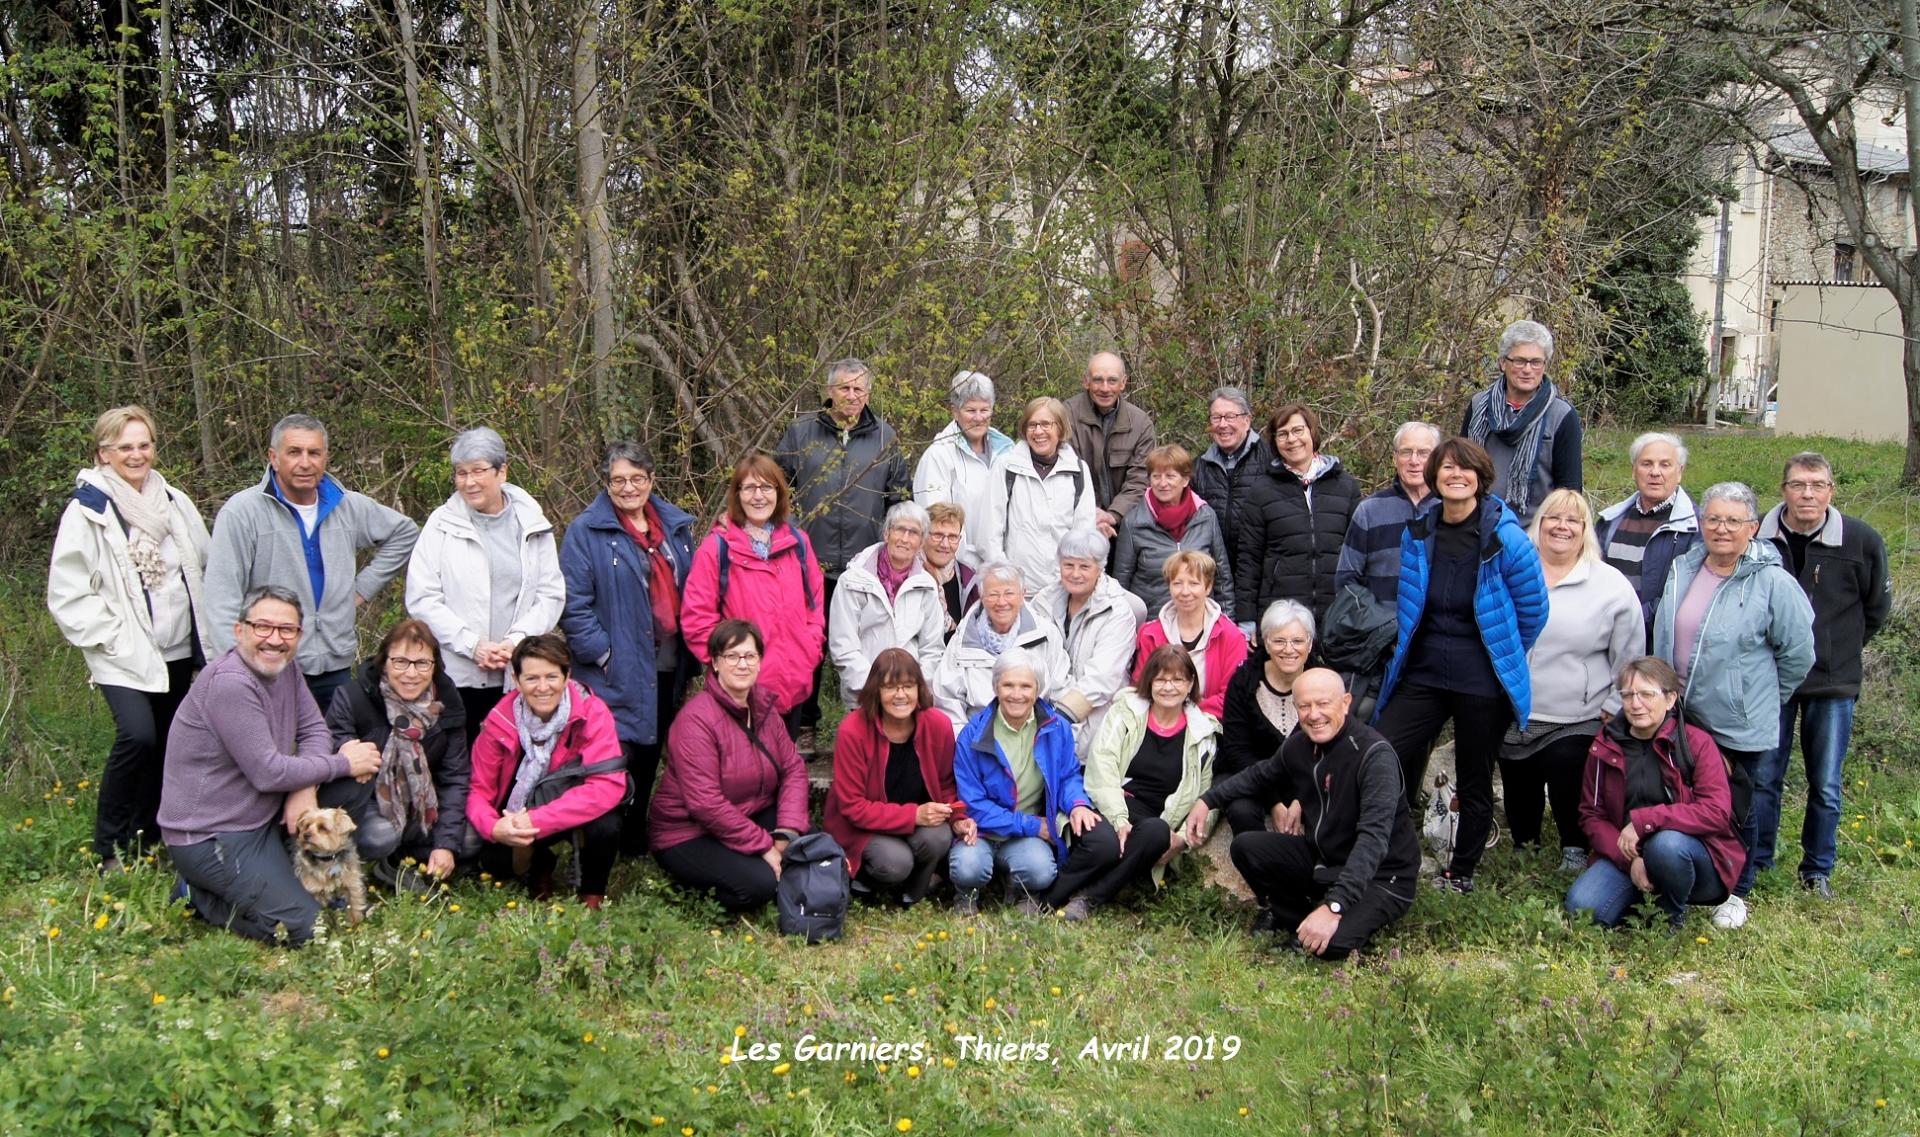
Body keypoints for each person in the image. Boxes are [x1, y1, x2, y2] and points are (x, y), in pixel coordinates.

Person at [159, 586, 382, 946]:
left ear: (299, 635)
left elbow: (313, 728)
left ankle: (300, 872)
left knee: (356, 778)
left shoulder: (286, 669)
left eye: (286, 630)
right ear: (239, 630)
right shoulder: (231, 683)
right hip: (214, 834)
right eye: (262, 627)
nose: (274, 640)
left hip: (261, 814)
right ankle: (197, 895)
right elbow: (267, 772)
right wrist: (338, 762)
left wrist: (304, 788)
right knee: (309, 930)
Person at [1373, 436, 1548, 893]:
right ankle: (1385, 849)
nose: (1455, 475)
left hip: (1480, 678)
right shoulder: (1419, 530)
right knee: (1380, 750)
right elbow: (1411, 601)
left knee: (1474, 777)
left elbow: (1534, 610)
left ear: (1480, 477)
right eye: (1445, 468)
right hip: (1424, 670)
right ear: (1433, 478)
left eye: (1464, 468)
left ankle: (1460, 872)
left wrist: (1501, 648)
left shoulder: (1503, 535)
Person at [47, 406, 212, 870]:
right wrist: (113, 638)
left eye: (144, 445)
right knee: (137, 737)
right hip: (123, 652)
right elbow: (67, 593)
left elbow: (204, 564)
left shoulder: (175, 502)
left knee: (169, 743)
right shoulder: (89, 511)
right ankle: (109, 847)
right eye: (125, 447)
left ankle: (150, 838)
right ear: (104, 453)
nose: (136, 455)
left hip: (179, 648)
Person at [1652, 481, 1814, 930]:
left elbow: (1799, 652)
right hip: (1683, 715)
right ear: (1701, 523)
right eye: (1713, 519)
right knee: (1690, 798)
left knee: (1740, 805)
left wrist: (1761, 696)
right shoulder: (1684, 568)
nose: (1722, 529)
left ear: (1753, 527)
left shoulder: (1771, 582)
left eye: (1733, 520)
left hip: (1738, 719)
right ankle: (1692, 878)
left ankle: (1737, 890)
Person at [1183, 669, 1419, 959]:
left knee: (1330, 945)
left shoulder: (1374, 756)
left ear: (1345, 702)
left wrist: (1336, 906)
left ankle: (1331, 914)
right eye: (1304, 706)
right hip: (1326, 857)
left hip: (1383, 875)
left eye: (1323, 704)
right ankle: (1294, 915)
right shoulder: (1300, 746)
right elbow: (1258, 776)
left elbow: (1374, 839)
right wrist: (1207, 800)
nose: (1314, 714)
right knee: (1247, 847)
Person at [203, 413, 418, 713]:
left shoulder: (347, 506)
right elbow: (220, 598)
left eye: (314, 453)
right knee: (266, 756)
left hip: (334, 663)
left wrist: (361, 589)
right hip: (268, 664)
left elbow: (404, 532)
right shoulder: (242, 513)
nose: (305, 462)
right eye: (294, 452)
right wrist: (236, 668)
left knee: (334, 753)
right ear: (274, 458)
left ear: (325, 458)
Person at [1759, 452, 1893, 899]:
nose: (1808, 494)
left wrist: (1839, 649)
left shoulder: (1861, 541)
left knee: (1827, 784)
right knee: (1764, 777)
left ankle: (1817, 870)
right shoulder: (1758, 535)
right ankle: (1759, 861)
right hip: (1771, 681)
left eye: (1817, 485)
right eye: (1798, 485)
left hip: (1833, 683)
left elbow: (1875, 612)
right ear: (1784, 490)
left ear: (1831, 491)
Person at [558, 441, 697, 853]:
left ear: (652, 480)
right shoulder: (587, 531)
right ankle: (604, 841)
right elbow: (573, 604)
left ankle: (636, 837)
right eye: (618, 480)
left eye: (637, 478)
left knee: (653, 748)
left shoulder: (675, 527)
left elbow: (691, 587)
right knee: (618, 755)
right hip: (614, 667)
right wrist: (606, 655)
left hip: (669, 661)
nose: (628, 488)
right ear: (607, 484)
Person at [1503, 489, 1643, 874]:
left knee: (1567, 771)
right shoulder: (1513, 571)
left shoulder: (1609, 583)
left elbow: (1629, 652)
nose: (1562, 526)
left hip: (1578, 712)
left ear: (1585, 531)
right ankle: (1523, 844)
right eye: (1553, 517)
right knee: (1518, 777)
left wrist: (1617, 703)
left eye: (1574, 520)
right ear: (1539, 523)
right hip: (1515, 705)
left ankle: (1574, 846)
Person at [776, 358, 912, 748]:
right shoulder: (802, 433)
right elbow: (775, 488)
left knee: (867, 645)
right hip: (808, 562)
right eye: (844, 388)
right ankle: (804, 725)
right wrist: (792, 531)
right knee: (809, 647)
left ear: (868, 394)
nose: (851, 396)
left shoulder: (885, 437)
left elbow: (899, 497)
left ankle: (870, 724)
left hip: (863, 564)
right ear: (829, 391)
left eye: (859, 389)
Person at [406, 427, 567, 732]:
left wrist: (515, 643)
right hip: (457, 676)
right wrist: (473, 645)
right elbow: (422, 598)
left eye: (478, 471)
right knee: (459, 765)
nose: (469, 482)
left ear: (501, 471)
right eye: (461, 473)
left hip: (519, 673)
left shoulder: (532, 522)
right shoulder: (441, 524)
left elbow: (550, 594)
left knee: (510, 766)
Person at [1567, 657, 1744, 931]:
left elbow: (1716, 812)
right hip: (1627, 852)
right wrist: (1631, 862)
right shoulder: (1605, 745)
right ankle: (1643, 893)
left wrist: (1645, 821)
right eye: (1628, 695)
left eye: (1647, 695)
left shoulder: (1696, 742)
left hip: (1691, 856)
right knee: (1582, 906)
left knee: (1666, 845)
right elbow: (1592, 815)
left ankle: (1669, 917)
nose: (1636, 704)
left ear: (1671, 699)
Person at [650, 620, 811, 913]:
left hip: (745, 812)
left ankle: (771, 869)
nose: (742, 664)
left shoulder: (764, 707)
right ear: (715, 663)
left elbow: (793, 768)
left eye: (750, 656)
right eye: (732, 656)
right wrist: (763, 846)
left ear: (760, 662)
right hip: (687, 832)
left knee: (809, 841)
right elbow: (705, 804)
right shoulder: (695, 720)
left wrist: (785, 833)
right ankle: (691, 894)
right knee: (759, 885)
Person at [1056, 645, 1221, 919]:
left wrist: (1182, 840)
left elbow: (1207, 797)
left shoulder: (1204, 734)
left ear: (1190, 684)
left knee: (1157, 831)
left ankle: (1089, 900)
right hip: (1112, 804)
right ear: (1150, 682)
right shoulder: (1125, 714)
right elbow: (1102, 768)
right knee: (1103, 845)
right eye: (1161, 679)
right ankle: (1046, 899)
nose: (1169, 687)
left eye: (1178, 679)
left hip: (1154, 822)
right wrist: (1120, 819)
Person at [466, 633, 626, 908]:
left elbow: (607, 784)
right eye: (531, 678)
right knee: (495, 863)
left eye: (551, 677)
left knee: (606, 827)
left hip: (571, 806)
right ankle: (538, 866)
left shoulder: (592, 711)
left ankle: (592, 893)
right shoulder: (500, 720)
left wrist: (539, 819)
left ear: (567, 676)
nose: (543, 687)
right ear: (516, 680)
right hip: (519, 809)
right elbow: (479, 788)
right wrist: (494, 827)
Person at [680, 454, 827, 745]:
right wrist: (730, 666)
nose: (758, 496)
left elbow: (815, 607)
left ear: (779, 494)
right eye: (749, 488)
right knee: (743, 779)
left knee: (784, 774)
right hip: (741, 692)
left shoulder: (798, 544)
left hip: (793, 685)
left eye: (767, 487)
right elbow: (696, 620)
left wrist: (808, 653)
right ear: (737, 495)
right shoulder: (717, 549)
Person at [949, 650, 1099, 915]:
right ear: (995, 687)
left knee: (1041, 871)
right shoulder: (972, 734)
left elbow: (1067, 776)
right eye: (1008, 685)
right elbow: (973, 804)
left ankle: (1017, 888)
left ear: (1038, 689)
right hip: (982, 831)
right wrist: (1031, 825)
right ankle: (966, 894)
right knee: (967, 868)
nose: (1016, 694)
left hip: (1023, 836)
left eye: (1025, 686)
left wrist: (1078, 804)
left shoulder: (1056, 728)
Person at [324, 619, 474, 883]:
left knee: (470, 839)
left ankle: (401, 861)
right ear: (384, 661)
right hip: (370, 802)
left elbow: (455, 777)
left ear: (434, 666)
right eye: (400, 662)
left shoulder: (448, 704)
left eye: (421, 663)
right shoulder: (352, 697)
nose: (411, 673)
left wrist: (446, 845)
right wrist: (345, 750)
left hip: (424, 804)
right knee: (380, 836)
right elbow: (331, 743)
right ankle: (388, 858)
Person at [823, 649, 973, 906]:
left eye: (908, 686)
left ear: (919, 689)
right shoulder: (853, 730)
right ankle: (864, 882)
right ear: (876, 692)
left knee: (939, 836)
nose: (901, 695)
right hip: (863, 828)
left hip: (916, 823)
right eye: (891, 687)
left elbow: (946, 783)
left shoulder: (938, 725)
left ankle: (913, 894)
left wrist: (958, 817)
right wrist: (914, 815)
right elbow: (852, 807)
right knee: (895, 862)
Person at [1234, 402, 1363, 631]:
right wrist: (1246, 619)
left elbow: (1360, 552)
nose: (1291, 440)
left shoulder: (1345, 486)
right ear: (1274, 442)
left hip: (1337, 612)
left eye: (1297, 430)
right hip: (1281, 614)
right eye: (1282, 434)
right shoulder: (1261, 491)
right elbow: (1248, 559)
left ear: (1312, 432)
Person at [1030, 529, 1146, 753]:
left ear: (1100, 569)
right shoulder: (1042, 602)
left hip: (1097, 713)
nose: (1075, 574)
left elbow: (1102, 680)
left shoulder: (1117, 611)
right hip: (1047, 705)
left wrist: (1061, 716)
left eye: (1084, 566)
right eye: (1068, 565)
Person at [1461, 319, 1582, 526]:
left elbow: (1569, 491)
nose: (1528, 370)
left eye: (1536, 362)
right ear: (1502, 362)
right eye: (1519, 361)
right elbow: (1460, 466)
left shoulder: (1561, 415)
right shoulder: (1478, 406)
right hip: (1476, 526)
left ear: (1545, 365)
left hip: (1533, 534)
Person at [932, 561, 1072, 733]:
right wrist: (967, 744)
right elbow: (947, 702)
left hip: (1034, 737)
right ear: (982, 597)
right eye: (993, 594)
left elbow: (1061, 692)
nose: (1001, 602)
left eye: (1009, 593)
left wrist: (1049, 739)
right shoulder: (962, 641)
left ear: (1023, 595)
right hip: (977, 740)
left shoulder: (1045, 635)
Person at [828, 502, 946, 704]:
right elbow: (843, 646)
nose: (905, 539)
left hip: (909, 697)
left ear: (921, 543)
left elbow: (932, 648)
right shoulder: (853, 580)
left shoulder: (926, 586)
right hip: (864, 694)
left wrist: (913, 687)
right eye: (899, 529)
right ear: (886, 534)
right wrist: (875, 687)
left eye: (914, 533)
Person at [1215, 600, 1316, 835]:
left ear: (1309, 644)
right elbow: (1237, 750)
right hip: (1254, 778)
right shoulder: (1244, 681)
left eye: (1298, 641)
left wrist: (1301, 801)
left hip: (1308, 782)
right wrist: (1274, 802)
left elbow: (1331, 750)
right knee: (1241, 810)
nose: (1289, 649)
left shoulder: (1322, 681)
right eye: (1279, 640)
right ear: (1265, 642)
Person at [983, 396, 1099, 595]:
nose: (1038, 432)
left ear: (1060, 428)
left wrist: (1073, 581)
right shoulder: (1006, 467)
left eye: (1046, 424)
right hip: (1019, 590)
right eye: (1032, 425)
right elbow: (990, 532)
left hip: (1063, 590)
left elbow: (1084, 534)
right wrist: (1006, 580)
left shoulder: (1078, 471)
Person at [1597, 431, 1698, 642]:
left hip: (1657, 644)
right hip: (1604, 635)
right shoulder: (1609, 522)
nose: (1655, 472)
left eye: (1665, 464)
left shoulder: (1695, 528)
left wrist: (1629, 620)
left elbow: (1685, 595)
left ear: (1680, 472)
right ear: (1634, 470)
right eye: (1646, 464)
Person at [1113, 443, 1236, 616]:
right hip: (1152, 624)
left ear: (1185, 480)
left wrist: (1227, 621)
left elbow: (1222, 576)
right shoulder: (1133, 522)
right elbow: (1121, 585)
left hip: (1201, 621)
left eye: (1170, 476)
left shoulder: (1206, 517)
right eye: (1156, 476)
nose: (1163, 483)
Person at [912, 370, 1014, 564]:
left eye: (984, 410)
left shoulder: (1008, 452)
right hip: (960, 567)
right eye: (970, 410)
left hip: (1002, 566)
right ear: (955, 411)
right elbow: (934, 521)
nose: (978, 417)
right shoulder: (939, 455)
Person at [1335, 421, 1441, 606]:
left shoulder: (1450, 508)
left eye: (1423, 453)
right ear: (1394, 459)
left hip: (1438, 631)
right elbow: (1346, 581)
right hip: (1382, 630)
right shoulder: (1369, 510)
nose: (1414, 461)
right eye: (1406, 452)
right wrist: (1377, 624)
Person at [1132, 551, 1248, 719]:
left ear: (1208, 587)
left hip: (1213, 725)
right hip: (1160, 724)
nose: (1185, 592)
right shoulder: (1150, 634)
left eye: (1194, 583)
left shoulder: (1232, 636)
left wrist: (1183, 713)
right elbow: (1141, 689)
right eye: (1177, 583)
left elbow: (1232, 697)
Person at [1068, 350, 1157, 541]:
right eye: (1098, 380)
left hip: (1127, 525)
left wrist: (1112, 515)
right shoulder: (1066, 416)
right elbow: (1064, 475)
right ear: (1086, 381)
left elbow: (1140, 479)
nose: (1105, 388)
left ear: (1123, 383)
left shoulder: (1140, 423)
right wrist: (1090, 515)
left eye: (1112, 380)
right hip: (1076, 525)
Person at [1191, 386, 1272, 572]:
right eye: (1216, 417)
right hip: (1214, 574)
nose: (1222, 424)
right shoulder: (1198, 468)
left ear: (1247, 420)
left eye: (1230, 417)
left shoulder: (1270, 460)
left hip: (1260, 572)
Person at [922, 502, 979, 642]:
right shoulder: (909, 577)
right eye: (937, 535)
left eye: (952, 537)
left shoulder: (969, 579)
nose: (945, 544)